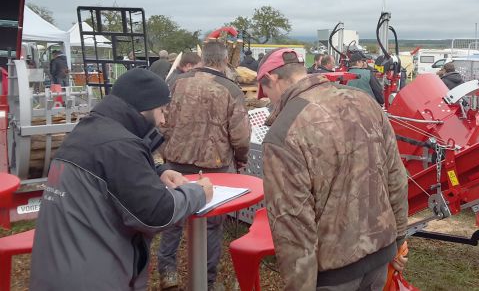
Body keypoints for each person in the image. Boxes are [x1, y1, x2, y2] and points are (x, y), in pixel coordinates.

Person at [30, 68, 213, 290]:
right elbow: (157, 213)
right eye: (162, 111)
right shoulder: (120, 146)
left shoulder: (92, 131)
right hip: (93, 278)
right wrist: (199, 192)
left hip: (59, 269)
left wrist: (157, 172)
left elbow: (107, 178)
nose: (163, 120)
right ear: (145, 108)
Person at [257, 49, 409, 291]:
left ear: (273, 79)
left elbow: (292, 224)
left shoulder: (284, 131)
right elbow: (397, 178)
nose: (267, 98)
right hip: (380, 253)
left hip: (334, 274)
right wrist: (399, 239)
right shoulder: (363, 101)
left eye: (264, 89)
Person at [158, 41, 250, 290]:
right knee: (211, 224)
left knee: (173, 217)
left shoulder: (178, 82)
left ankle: (168, 271)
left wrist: (167, 149)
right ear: (223, 61)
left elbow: (163, 119)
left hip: (176, 160)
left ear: (203, 58)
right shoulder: (230, 88)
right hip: (215, 165)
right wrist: (241, 156)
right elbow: (241, 134)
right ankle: (206, 282)